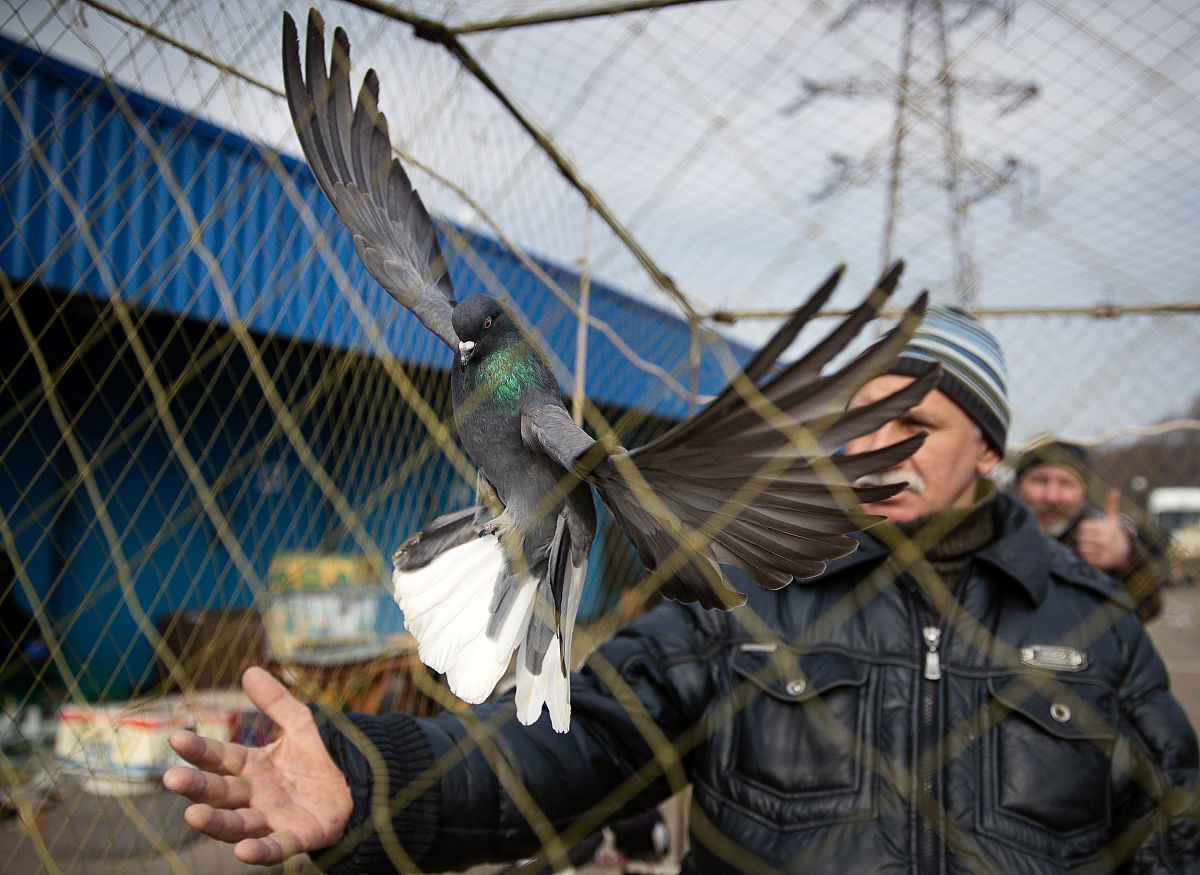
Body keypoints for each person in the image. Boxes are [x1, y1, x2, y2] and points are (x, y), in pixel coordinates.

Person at [164, 307, 1200, 874]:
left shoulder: (1094, 622)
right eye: (856, 421)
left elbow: (1173, 832)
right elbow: (577, 738)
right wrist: (374, 771)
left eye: (915, 425)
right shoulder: (744, 596)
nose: (875, 448)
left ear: (990, 448)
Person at [1013, 439, 1170, 621]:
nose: (1052, 497)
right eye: (1040, 481)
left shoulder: (1101, 540)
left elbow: (1148, 610)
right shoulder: (998, 536)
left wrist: (1126, 559)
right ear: (1019, 486)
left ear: (1084, 493)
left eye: (1066, 483)